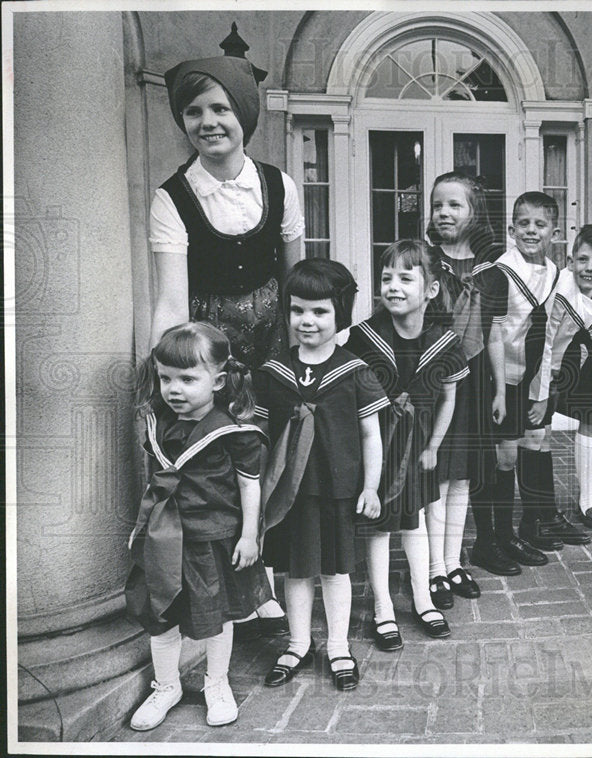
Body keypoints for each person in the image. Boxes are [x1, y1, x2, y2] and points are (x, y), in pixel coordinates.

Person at [151, 47, 304, 638]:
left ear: (244, 112)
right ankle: (234, 588)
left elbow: (298, 281)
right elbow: (171, 299)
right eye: (193, 112)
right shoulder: (173, 196)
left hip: (271, 347)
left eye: (220, 108)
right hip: (213, 355)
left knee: (271, 460)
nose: (208, 122)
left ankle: (266, 578)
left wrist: (302, 352)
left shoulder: (278, 185)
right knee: (222, 473)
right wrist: (167, 373)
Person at [126, 322, 271, 730]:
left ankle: (216, 682)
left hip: (212, 538)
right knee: (162, 613)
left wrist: (247, 534)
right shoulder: (159, 422)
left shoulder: (233, 431)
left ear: (219, 380)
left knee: (216, 615)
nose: (174, 388)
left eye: (188, 379)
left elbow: (249, 483)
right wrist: (144, 526)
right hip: (166, 537)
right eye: (166, 377)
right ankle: (167, 685)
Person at [254, 259, 386, 691]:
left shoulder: (354, 371)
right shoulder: (274, 372)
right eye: (298, 311)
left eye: (319, 311)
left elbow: (370, 433)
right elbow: (259, 437)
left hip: (336, 489)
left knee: (334, 570)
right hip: (289, 492)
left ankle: (338, 645)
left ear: (341, 313)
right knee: (295, 570)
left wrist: (370, 486)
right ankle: (296, 643)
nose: (306, 321)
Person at [345, 240, 469, 651]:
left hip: (416, 444)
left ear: (431, 290)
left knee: (414, 519)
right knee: (380, 525)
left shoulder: (444, 341)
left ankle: (422, 597)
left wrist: (434, 445)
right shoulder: (364, 338)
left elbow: (449, 396)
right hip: (377, 447)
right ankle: (382, 606)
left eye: (405, 277)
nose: (393, 286)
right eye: (386, 278)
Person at [475, 192, 591, 570]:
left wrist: (543, 388)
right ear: (511, 229)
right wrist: (499, 390)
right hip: (500, 377)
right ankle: (493, 538)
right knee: (503, 455)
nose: (531, 230)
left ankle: (523, 528)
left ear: (555, 233)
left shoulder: (558, 275)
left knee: (531, 442)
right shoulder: (498, 274)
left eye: (540, 225)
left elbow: (555, 332)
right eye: (523, 224)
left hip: (532, 376)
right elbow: (492, 335)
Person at [424, 172, 508, 603]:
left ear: (475, 213)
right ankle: (433, 569)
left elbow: (493, 333)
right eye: (438, 204)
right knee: (436, 475)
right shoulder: (422, 261)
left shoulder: (492, 273)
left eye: (454, 205)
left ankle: (454, 563)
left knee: (462, 478)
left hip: (474, 383)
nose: (444, 212)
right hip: (434, 381)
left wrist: (499, 391)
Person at [527, 225, 592, 531]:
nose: (589, 268)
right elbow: (546, 343)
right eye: (583, 260)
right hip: (540, 364)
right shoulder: (560, 289)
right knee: (542, 434)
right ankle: (586, 501)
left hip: (584, 361)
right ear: (571, 260)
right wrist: (542, 392)